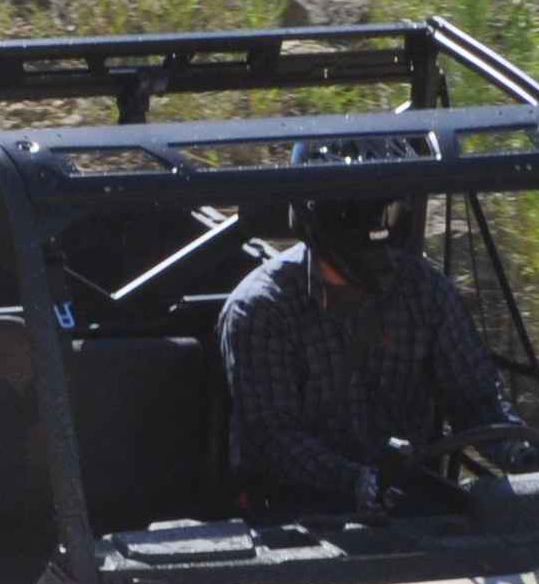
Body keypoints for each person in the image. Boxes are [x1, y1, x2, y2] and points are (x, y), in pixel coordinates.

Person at [217, 200, 516, 517]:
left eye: (382, 209)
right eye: (356, 211)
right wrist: (355, 481)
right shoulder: (263, 309)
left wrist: (521, 451)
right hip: (298, 512)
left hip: (407, 503)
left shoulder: (425, 293)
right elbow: (272, 439)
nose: (373, 220)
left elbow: (478, 400)